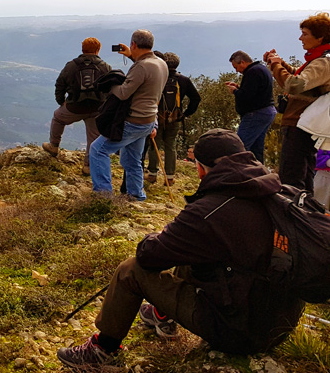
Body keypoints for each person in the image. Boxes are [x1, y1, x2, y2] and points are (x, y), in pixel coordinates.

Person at [58, 129, 304, 370]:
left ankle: (103, 349)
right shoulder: (281, 194)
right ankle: (161, 315)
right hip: (281, 324)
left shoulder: (209, 211)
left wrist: (161, 236)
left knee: (130, 270)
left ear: (200, 169)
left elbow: (149, 256)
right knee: (196, 252)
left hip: (238, 331)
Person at [89, 29, 167, 201]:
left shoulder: (142, 67)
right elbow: (145, 77)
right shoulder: (161, 63)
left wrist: (109, 83)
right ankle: (136, 195)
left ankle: (103, 195)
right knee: (132, 160)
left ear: (133, 44)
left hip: (133, 121)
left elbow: (123, 93)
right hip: (148, 121)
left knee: (97, 150)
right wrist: (132, 56)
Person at [264, 12, 330, 192]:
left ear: (320, 37)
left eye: (305, 33)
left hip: (300, 125)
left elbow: (295, 85)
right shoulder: (319, 59)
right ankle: (307, 215)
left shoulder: (323, 62)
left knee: (292, 179)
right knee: (304, 176)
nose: (300, 38)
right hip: (302, 125)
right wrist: (280, 63)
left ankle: (295, 216)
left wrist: (277, 66)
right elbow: (304, 78)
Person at [43, 37, 111, 175]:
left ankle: (54, 146)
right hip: (96, 108)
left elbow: (60, 84)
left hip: (74, 107)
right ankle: (88, 166)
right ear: (98, 50)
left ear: (82, 49)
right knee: (93, 137)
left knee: (58, 117)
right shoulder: (105, 67)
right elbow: (112, 87)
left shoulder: (71, 66)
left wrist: (61, 101)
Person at [146, 52, 200, 185]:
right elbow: (196, 98)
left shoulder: (158, 77)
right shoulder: (183, 80)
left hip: (157, 117)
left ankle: (152, 174)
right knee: (171, 145)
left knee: (154, 145)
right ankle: (169, 177)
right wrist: (186, 113)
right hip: (175, 118)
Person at [225, 50, 277, 164]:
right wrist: (238, 87)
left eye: (236, 67)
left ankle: (236, 174)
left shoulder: (252, 72)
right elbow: (256, 91)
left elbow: (246, 96)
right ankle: (258, 174)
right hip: (266, 111)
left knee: (239, 147)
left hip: (256, 113)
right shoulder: (261, 69)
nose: (237, 71)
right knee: (256, 150)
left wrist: (235, 91)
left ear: (242, 62)